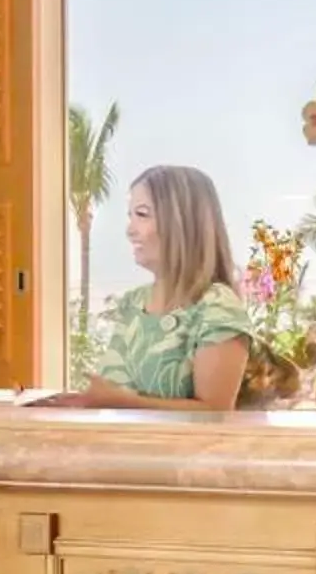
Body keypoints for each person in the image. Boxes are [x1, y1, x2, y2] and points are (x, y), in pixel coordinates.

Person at [33, 164, 254, 410]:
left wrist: (121, 402)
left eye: (142, 215)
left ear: (181, 222)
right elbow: (114, 392)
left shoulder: (218, 307)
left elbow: (215, 412)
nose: (130, 231)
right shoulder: (131, 303)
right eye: (130, 216)